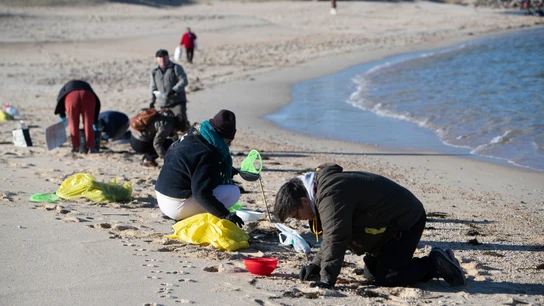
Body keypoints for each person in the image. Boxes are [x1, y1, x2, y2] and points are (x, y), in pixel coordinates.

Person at [274, 163, 467, 289]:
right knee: (372, 273)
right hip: (386, 225)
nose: (299, 220)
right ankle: (411, 261)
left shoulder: (330, 194)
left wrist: (326, 278)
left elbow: (336, 238)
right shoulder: (320, 190)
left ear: (304, 201)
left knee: (389, 277)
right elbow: (332, 235)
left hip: (406, 220)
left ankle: (436, 262)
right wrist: (315, 266)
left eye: (296, 215)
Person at [154, 109, 244, 227]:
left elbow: (184, 163)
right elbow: (201, 193)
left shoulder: (192, 135)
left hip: (161, 196)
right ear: (224, 138)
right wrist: (225, 215)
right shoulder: (208, 153)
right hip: (176, 205)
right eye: (229, 141)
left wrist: (226, 170)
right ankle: (187, 217)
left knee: (213, 187)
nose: (229, 145)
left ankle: (185, 215)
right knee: (233, 192)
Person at [55, 80, 101, 153]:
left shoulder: (64, 88)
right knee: (88, 122)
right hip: (88, 95)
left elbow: (59, 100)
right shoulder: (87, 86)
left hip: (71, 96)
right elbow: (96, 107)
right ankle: (92, 147)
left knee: (73, 122)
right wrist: (95, 121)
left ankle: (75, 147)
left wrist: (62, 115)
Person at [149, 49, 189, 132]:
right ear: (156, 59)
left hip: (177, 102)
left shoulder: (176, 68)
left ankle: (188, 139)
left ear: (168, 57)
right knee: (169, 127)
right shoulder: (154, 72)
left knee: (182, 123)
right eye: (160, 58)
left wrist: (174, 90)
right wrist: (151, 102)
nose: (162, 60)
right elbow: (153, 87)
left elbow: (184, 80)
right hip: (164, 103)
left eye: (164, 57)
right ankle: (174, 143)